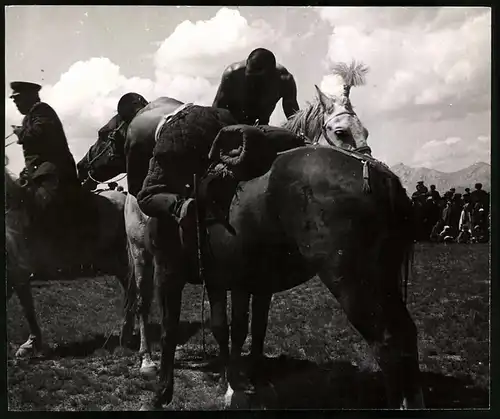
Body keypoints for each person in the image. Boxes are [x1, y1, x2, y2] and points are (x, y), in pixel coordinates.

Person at [137, 104, 238, 249]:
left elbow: (135, 183)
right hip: (216, 114)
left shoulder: (139, 124)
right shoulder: (165, 103)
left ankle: (181, 206)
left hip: (179, 126)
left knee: (145, 197)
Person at [9, 81, 82, 228]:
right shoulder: (29, 116)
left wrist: (20, 132)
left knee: (45, 208)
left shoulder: (42, 110)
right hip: (38, 172)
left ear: (30, 96)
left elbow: (38, 134)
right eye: (14, 99)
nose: (16, 102)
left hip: (53, 173)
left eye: (18, 98)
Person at [212, 48, 300, 125]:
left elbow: (293, 115)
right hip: (229, 126)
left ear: (271, 74)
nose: (252, 84)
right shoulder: (233, 75)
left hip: (262, 128)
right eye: (249, 77)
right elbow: (216, 111)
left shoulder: (284, 80)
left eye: (257, 79)